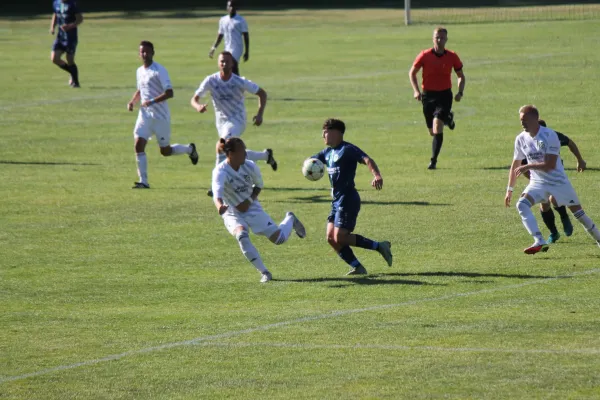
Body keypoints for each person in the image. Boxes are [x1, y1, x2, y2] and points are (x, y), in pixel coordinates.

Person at [505, 105, 600, 254]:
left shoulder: (550, 136)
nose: (522, 123)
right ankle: (539, 240)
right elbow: (515, 165)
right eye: (520, 120)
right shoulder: (520, 139)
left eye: (524, 120)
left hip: (558, 183)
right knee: (521, 204)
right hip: (538, 183)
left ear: (535, 119)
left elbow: (549, 165)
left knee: (579, 215)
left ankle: (599, 238)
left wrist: (527, 166)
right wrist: (509, 189)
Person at [212, 137, 305, 283]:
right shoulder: (220, 171)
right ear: (231, 154)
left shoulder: (250, 166)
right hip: (231, 211)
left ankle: (290, 219)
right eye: (242, 151)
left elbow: (259, 185)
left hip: (252, 207)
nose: (245, 153)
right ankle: (264, 272)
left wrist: (248, 201)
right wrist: (220, 207)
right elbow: (217, 194)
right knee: (241, 235)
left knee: (279, 239)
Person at [311, 119, 393, 275]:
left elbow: (367, 159)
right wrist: (307, 165)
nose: (323, 135)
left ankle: (380, 246)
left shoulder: (347, 149)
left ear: (337, 132)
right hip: (336, 201)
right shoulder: (326, 153)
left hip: (348, 199)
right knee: (330, 238)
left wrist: (376, 175)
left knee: (340, 236)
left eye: (326, 132)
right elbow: (311, 161)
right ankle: (358, 267)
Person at [191, 51, 277, 196]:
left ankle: (216, 186)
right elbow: (194, 99)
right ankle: (265, 156)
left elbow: (262, 93)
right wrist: (198, 106)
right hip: (221, 123)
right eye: (221, 61)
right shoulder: (211, 80)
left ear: (232, 64)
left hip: (238, 120)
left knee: (221, 146)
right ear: (218, 63)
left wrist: (260, 114)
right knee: (232, 151)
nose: (224, 64)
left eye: (227, 61)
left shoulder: (239, 81)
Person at [127, 41, 198, 189]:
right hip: (144, 116)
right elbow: (141, 89)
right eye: (142, 52)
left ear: (153, 52)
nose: (145, 54)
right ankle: (143, 181)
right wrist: (133, 101)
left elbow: (169, 93)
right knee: (138, 145)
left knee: (165, 151)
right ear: (139, 54)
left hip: (160, 117)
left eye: (147, 52)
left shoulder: (159, 70)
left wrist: (151, 101)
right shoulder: (139, 71)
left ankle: (189, 149)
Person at [521, 119, 587, 243]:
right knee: (544, 204)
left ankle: (564, 217)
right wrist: (534, 181)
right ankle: (554, 233)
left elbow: (569, 142)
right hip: (539, 178)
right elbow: (521, 166)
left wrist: (580, 160)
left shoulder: (553, 136)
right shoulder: (527, 141)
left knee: (554, 199)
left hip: (555, 176)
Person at [409, 26, 466, 170]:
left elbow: (460, 76)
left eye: (442, 38)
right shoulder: (424, 55)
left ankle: (433, 161)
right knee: (432, 132)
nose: (439, 40)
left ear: (446, 39)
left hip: (444, 95)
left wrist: (460, 92)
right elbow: (412, 73)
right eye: (437, 38)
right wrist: (416, 91)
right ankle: (448, 118)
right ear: (433, 39)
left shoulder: (452, 56)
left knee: (437, 127)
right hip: (428, 96)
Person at [208, 0, 249, 76]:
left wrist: (247, 52)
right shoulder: (223, 20)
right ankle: (235, 84)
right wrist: (213, 48)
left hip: (237, 48)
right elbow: (220, 35)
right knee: (227, 68)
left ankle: (239, 84)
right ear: (227, 7)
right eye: (230, 6)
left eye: (233, 6)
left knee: (232, 65)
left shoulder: (241, 20)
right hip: (227, 47)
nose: (231, 8)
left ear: (236, 8)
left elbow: (246, 36)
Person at [49, 0, 83, 87]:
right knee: (54, 58)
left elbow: (80, 19)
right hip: (60, 37)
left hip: (70, 38)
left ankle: (76, 82)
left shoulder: (72, 4)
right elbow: (55, 14)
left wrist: (70, 26)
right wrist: (52, 27)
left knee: (70, 59)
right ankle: (72, 73)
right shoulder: (56, 3)